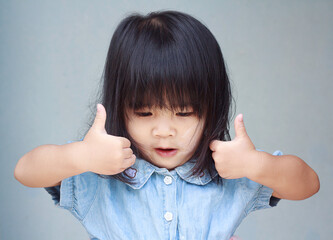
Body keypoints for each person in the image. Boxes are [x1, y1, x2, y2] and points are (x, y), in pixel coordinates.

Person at [14, 10, 320, 240]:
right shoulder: (101, 176)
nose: (164, 131)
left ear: (211, 109)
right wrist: (80, 155)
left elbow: (308, 184)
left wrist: (257, 164)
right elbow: (25, 170)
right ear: (120, 107)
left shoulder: (229, 174)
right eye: (145, 113)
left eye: (184, 113)